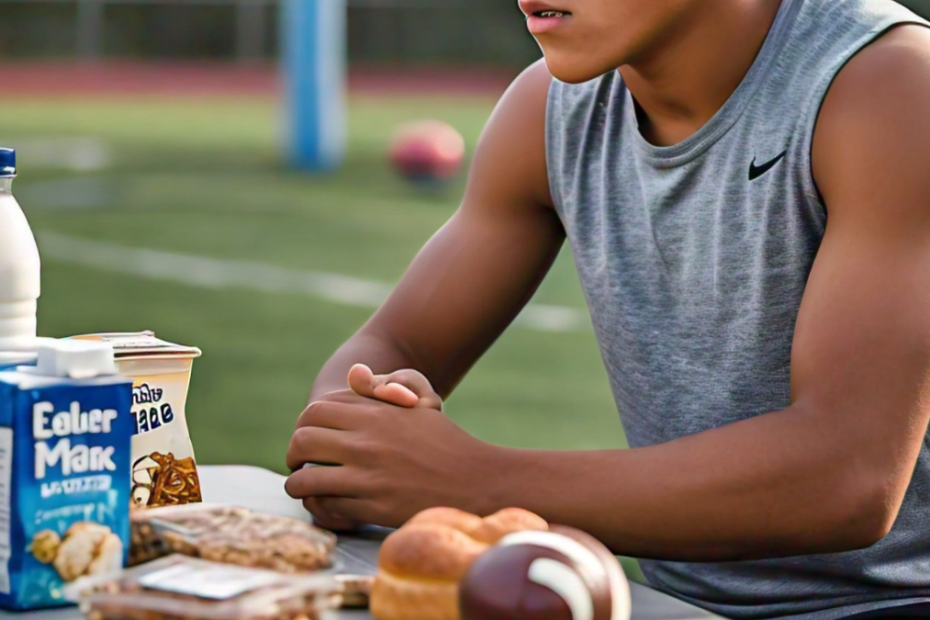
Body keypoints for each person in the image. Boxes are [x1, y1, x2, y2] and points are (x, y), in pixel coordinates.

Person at [284, 0, 930, 618]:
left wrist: (476, 480)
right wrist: (356, 444)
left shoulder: (892, 83)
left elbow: (847, 478)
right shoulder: (550, 106)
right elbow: (397, 343)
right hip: (676, 602)